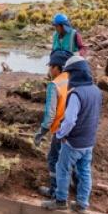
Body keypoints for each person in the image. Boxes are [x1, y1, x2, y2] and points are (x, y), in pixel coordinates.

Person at [42, 56, 102, 214]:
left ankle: (61, 201)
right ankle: (82, 204)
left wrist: (61, 134)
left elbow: (69, 121)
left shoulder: (76, 94)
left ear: (75, 73)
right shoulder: (96, 90)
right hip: (88, 141)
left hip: (73, 141)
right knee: (84, 172)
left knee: (62, 169)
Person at [33, 49, 74, 198]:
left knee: (53, 159)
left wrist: (41, 132)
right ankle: (71, 185)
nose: (49, 70)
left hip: (60, 128)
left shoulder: (54, 85)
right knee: (70, 159)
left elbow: (50, 115)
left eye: (51, 67)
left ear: (57, 67)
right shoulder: (73, 79)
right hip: (75, 128)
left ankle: (55, 191)